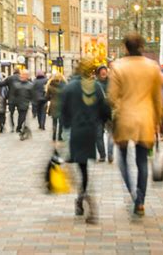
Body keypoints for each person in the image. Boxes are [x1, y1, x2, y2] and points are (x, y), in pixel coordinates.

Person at [108, 32, 163, 216]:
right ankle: (140, 200)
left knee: (122, 158)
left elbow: (112, 97)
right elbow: (157, 98)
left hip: (125, 118)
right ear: (142, 46)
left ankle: (132, 191)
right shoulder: (152, 67)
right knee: (142, 161)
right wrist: (158, 121)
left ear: (125, 47)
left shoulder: (117, 66)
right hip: (146, 119)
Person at [60, 57, 111, 224]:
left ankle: (83, 199)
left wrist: (63, 133)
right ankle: (82, 200)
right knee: (84, 170)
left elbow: (63, 114)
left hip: (74, 133)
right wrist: (102, 120)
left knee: (78, 170)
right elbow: (104, 109)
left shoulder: (69, 87)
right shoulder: (95, 86)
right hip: (89, 132)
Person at [95, 65, 114, 163]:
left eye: (105, 71)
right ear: (98, 73)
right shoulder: (95, 84)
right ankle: (102, 155)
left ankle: (110, 154)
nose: (103, 73)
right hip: (98, 113)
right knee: (98, 135)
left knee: (111, 134)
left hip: (110, 112)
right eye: (102, 71)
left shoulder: (112, 83)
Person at [46, 72, 67, 142]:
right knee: (61, 122)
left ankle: (54, 135)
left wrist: (50, 98)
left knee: (54, 121)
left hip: (54, 105)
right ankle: (59, 136)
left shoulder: (50, 86)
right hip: (62, 105)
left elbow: (47, 96)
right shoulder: (65, 86)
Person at [14, 69, 34, 135]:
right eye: (22, 75)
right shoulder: (17, 85)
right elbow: (14, 94)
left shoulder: (30, 85)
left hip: (25, 103)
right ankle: (20, 127)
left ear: (27, 76)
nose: (22, 76)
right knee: (21, 116)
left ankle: (20, 128)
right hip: (19, 103)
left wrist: (32, 102)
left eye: (24, 75)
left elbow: (32, 95)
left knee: (22, 116)